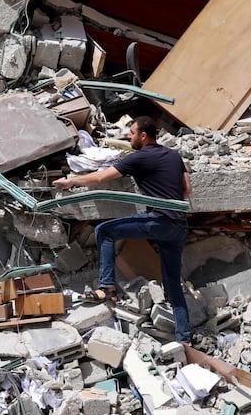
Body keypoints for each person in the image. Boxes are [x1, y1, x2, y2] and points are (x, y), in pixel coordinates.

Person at [53, 115, 193, 344]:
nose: (129, 136)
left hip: (158, 221)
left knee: (105, 231)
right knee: (172, 284)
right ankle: (185, 338)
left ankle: (107, 287)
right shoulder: (174, 155)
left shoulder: (137, 158)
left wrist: (71, 182)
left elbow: (100, 178)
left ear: (143, 136)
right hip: (178, 225)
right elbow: (187, 190)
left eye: (132, 133)